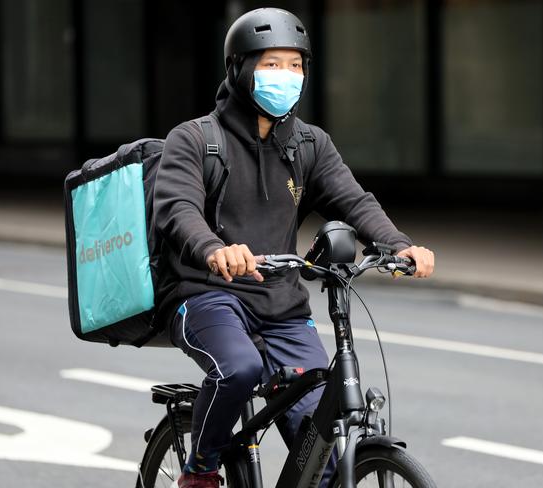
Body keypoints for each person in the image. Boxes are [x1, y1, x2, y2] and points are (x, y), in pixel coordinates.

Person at [153, 7, 435, 488]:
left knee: (321, 442)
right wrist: (212, 248)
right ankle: (200, 469)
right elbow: (177, 209)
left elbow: (353, 200)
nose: (287, 76)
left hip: (282, 305)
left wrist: (397, 244)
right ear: (239, 69)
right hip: (205, 296)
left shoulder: (309, 144)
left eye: (296, 65)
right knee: (238, 369)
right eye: (272, 64)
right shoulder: (196, 139)